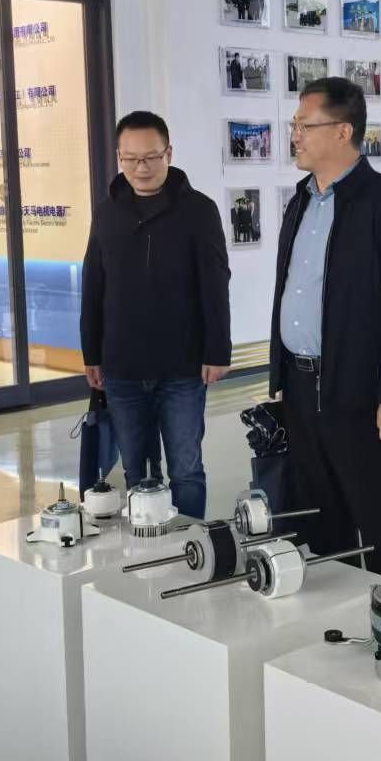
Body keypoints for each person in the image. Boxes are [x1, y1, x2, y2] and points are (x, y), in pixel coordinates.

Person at [272, 78, 381, 579]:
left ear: (343, 131)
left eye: (304, 125)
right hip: (301, 390)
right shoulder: (300, 202)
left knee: (380, 518)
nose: (294, 135)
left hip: (362, 395)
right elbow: (291, 290)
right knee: (317, 521)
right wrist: (280, 378)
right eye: (294, 124)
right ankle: (332, 618)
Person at [82, 111, 231, 519]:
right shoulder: (107, 212)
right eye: (130, 159)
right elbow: (94, 284)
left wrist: (217, 350)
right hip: (122, 367)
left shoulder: (198, 210)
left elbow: (215, 283)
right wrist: (91, 353)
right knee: (136, 471)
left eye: (150, 157)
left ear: (168, 153)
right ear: (119, 157)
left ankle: (190, 545)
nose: (141, 167)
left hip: (182, 366)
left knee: (186, 469)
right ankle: (147, 542)